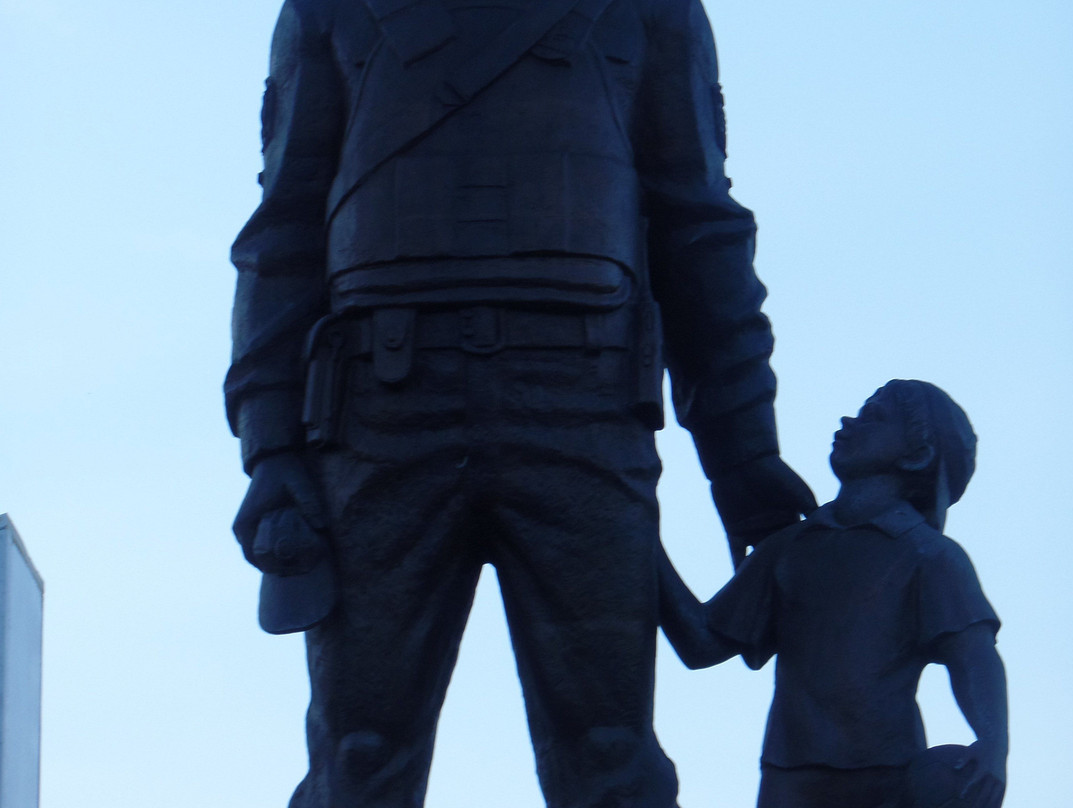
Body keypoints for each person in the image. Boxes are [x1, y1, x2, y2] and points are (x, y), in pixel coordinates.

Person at [225, 0, 815, 805]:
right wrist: (269, 447)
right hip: (378, 414)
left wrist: (744, 459)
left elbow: (699, 230)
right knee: (358, 754)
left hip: (582, 404)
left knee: (610, 752)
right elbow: (284, 235)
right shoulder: (328, 9)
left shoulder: (653, 10)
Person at [659, 380, 1008, 808]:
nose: (849, 421)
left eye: (875, 417)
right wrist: (640, 538)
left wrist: (994, 747)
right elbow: (702, 643)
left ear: (917, 455)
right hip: (789, 780)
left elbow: (973, 657)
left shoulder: (929, 555)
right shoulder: (790, 547)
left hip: (886, 778)